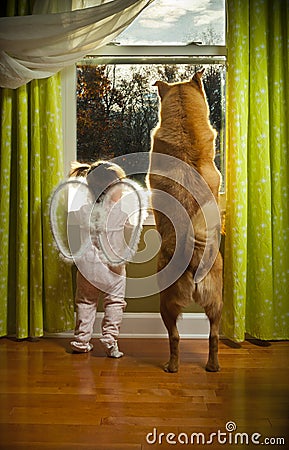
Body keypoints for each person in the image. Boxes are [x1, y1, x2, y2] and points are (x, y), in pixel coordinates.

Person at [68, 160, 130, 358]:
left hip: (87, 266)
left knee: (86, 301)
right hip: (113, 266)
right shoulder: (121, 210)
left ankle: (81, 340)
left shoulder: (84, 210)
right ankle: (110, 340)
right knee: (114, 302)